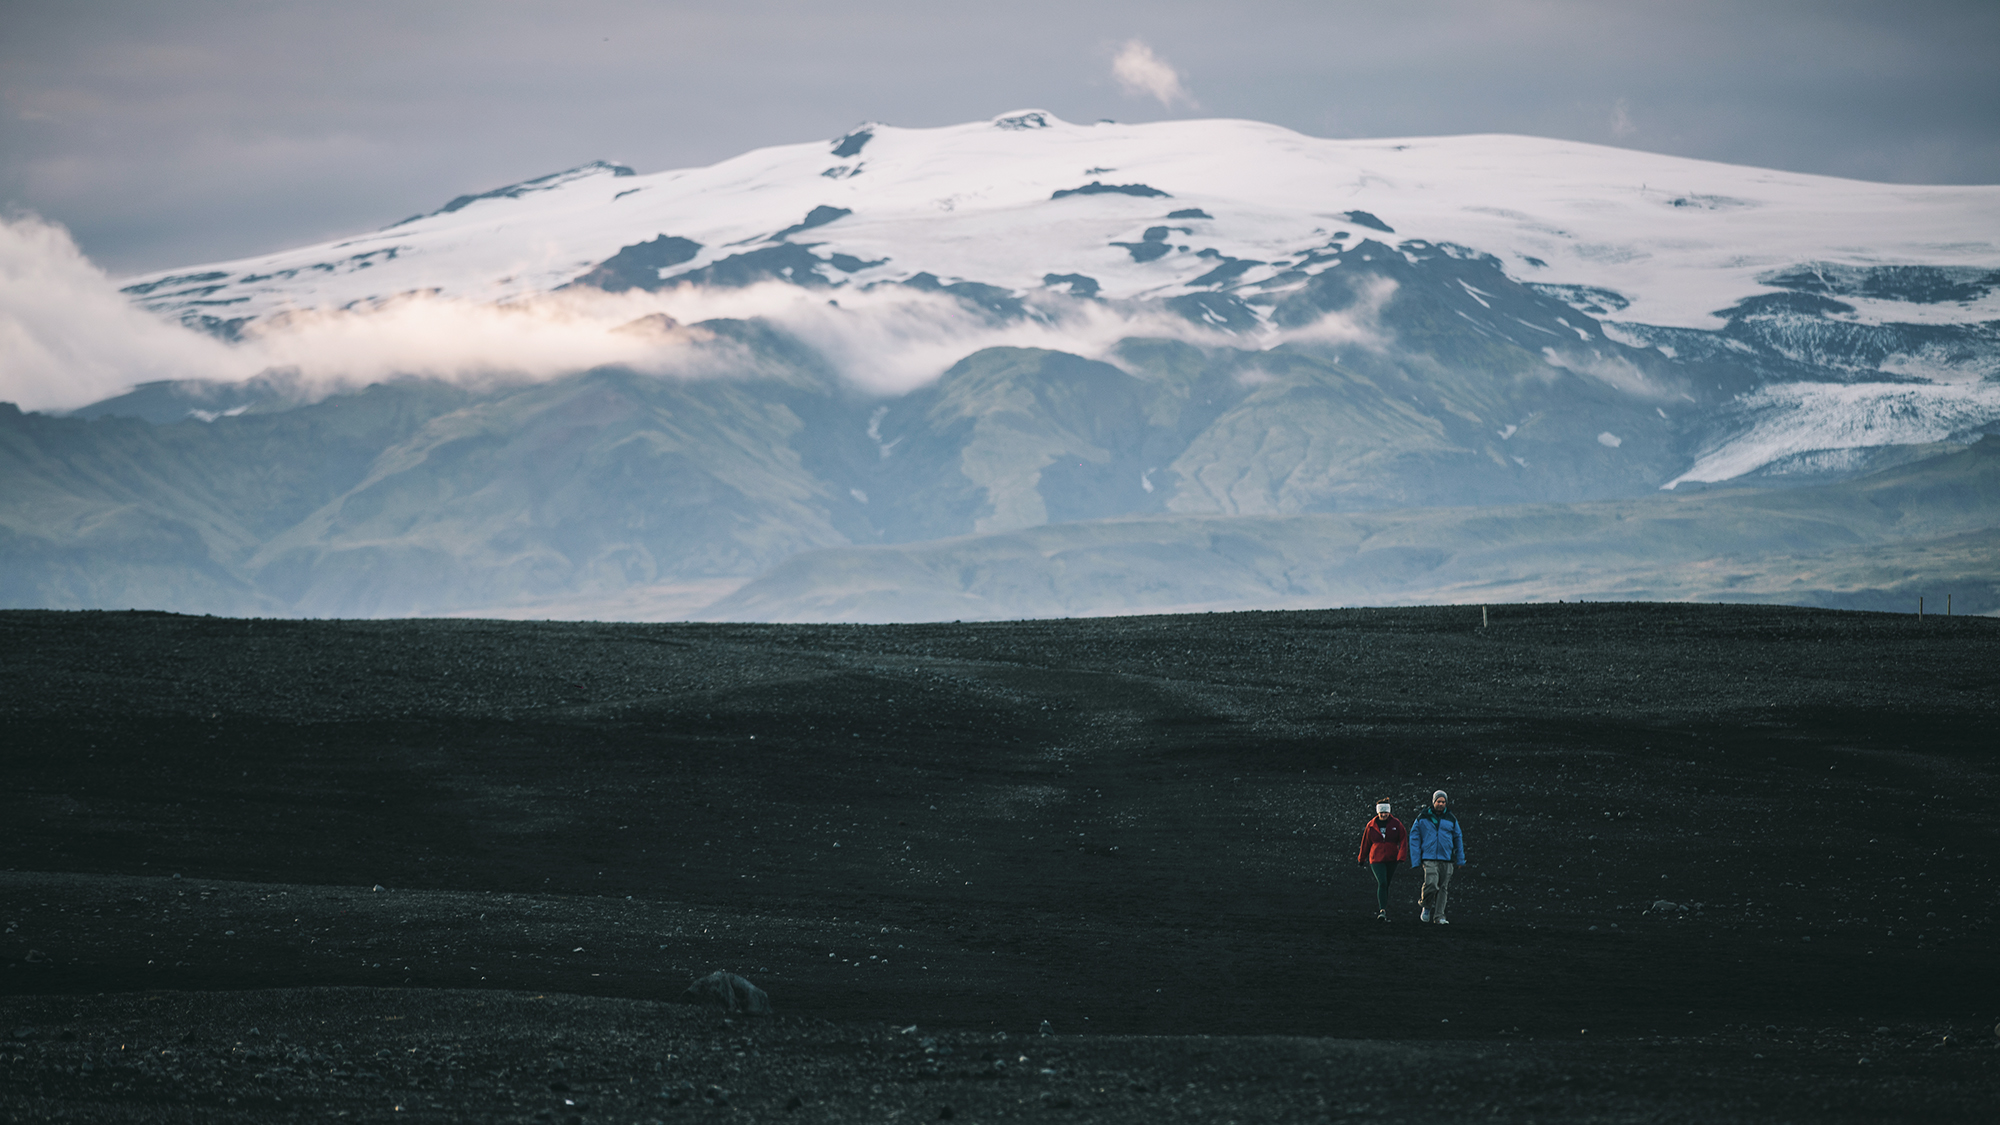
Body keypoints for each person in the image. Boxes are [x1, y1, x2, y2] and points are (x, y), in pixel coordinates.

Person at [1408, 789, 1466, 923]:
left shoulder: (1451, 818)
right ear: (1433, 802)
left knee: (1443, 888)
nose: (1441, 804)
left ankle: (1439, 916)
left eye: (1443, 802)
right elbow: (1414, 837)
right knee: (1432, 884)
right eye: (1438, 801)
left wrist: (1460, 858)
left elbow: (1458, 838)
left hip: (1447, 858)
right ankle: (1426, 906)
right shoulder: (1423, 817)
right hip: (1429, 858)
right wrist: (1416, 859)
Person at [1355, 798, 1408, 921]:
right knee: (1382, 882)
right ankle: (1382, 910)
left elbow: (1403, 840)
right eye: (1381, 812)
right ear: (1377, 812)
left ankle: (1384, 907)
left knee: (1386, 884)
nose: (1383, 815)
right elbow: (1366, 843)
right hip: (1376, 859)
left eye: (1385, 812)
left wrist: (1401, 856)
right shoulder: (1371, 825)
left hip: (1392, 858)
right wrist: (1361, 858)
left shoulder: (1396, 824)